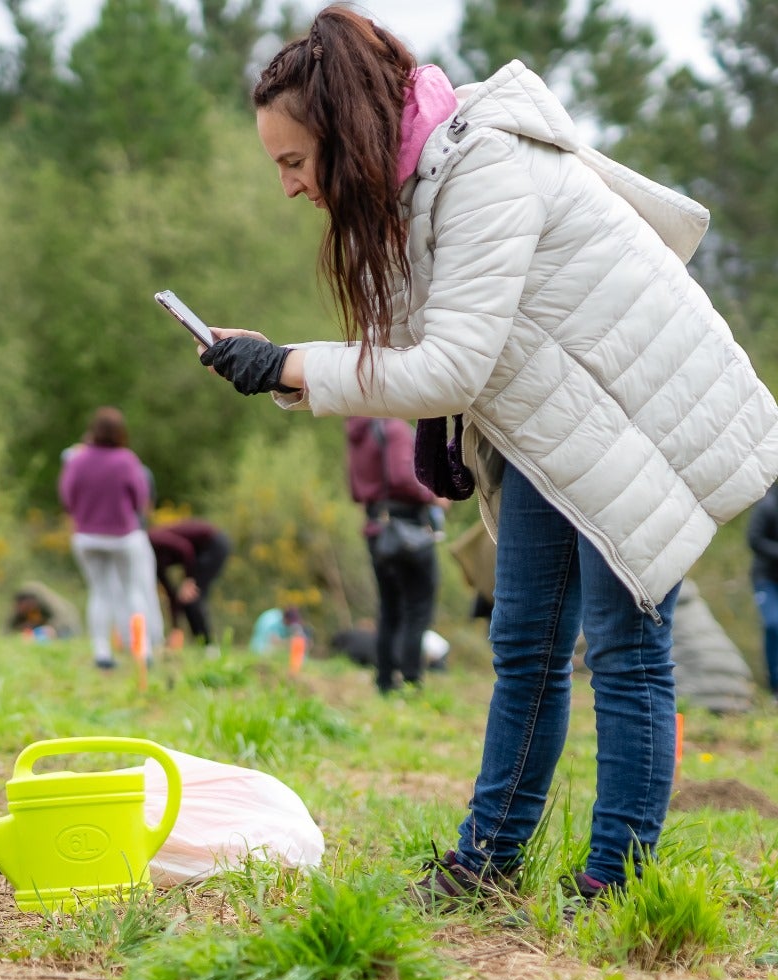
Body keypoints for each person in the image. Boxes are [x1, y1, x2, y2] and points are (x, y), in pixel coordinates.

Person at [195, 7, 778, 902]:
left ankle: (616, 887)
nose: (289, 188)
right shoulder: (415, 185)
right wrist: (275, 363)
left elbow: (451, 366)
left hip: (634, 417)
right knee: (527, 645)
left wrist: (290, 365)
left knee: (625, 648)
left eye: (293, 161)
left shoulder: (483, 170)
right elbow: (409, 353)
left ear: (344, 135)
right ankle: (488, 865)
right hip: (555, 426)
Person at [59, 407, 163, 669]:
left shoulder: (77, 460)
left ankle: (102, 653)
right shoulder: (126, 460)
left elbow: (66, 496)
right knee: (132, 591)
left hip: (86, 537)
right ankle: (143, 650)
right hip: (123, 536)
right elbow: (141, 499)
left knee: (99, 592)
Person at [345, 417, 439, 693]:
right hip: (407, 528)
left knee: (388, 608)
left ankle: (385, 679)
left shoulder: (357, 433)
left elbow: (354, 490)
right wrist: (434, 496)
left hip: (375, 529)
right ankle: (411, 680)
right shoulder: (394, 427)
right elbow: (402, 478)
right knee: (418, 607)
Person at [148, 518, 232, 645]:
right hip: (202, 552)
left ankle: (208, 647)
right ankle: (202, 644)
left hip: (214, 543)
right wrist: (175, 627)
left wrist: (189, 579)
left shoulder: (151, 539)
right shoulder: (155, 565)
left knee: (192, 596)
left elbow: (185, 548)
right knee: (187, 597)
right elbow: (172, 595)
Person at [747, 482, 778, 696]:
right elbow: (754, 539)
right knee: (773, 624)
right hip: (766, 578)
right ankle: (774, 685)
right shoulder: (768, 506)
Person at [7, 581, 81, 640]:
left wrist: (51, 628)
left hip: (65, 628)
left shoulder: (49, 603)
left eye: (28, 606)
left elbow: (61, 619)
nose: (26, 609)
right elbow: (8, 629)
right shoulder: (19, 609)